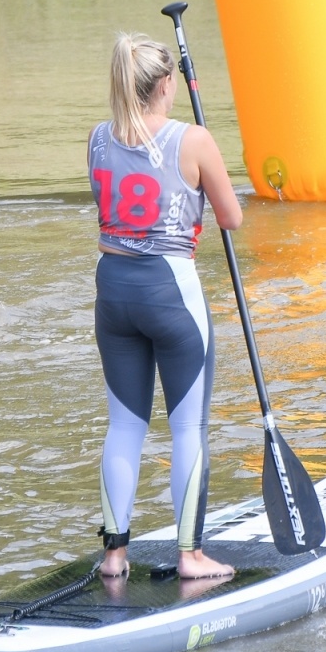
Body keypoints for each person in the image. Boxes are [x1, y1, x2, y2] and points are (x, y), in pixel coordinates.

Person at [88, 33, 242, 582]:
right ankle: (190, 555)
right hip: (170, 293)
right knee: (187, 429)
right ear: (167, 85)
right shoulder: (193, 139)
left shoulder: (97, 139)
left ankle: (114, 556)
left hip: (112, 293)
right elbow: (231, 218)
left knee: (124, 427)